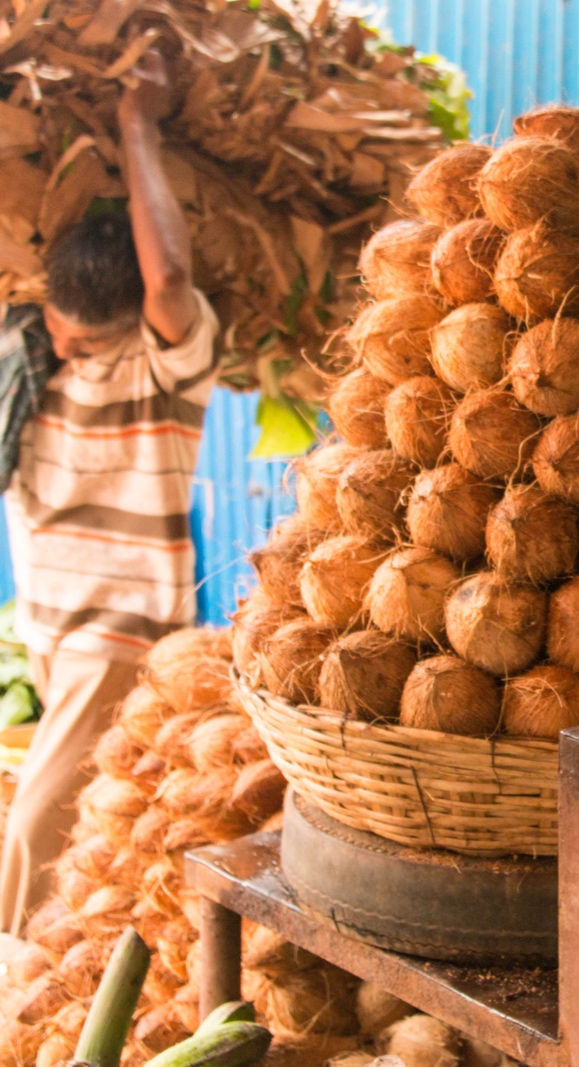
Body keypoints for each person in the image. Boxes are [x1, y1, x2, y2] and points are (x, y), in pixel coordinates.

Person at [0, 50, 219, 935]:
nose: (68, 349)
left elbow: (166, 278)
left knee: (32, 828)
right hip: (49, 632)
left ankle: (8, 977)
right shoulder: (29, 356)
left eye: (85, 342)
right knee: (100, 834)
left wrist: (138, 123)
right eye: (62, 332)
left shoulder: (163, 366)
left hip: (118, 634)